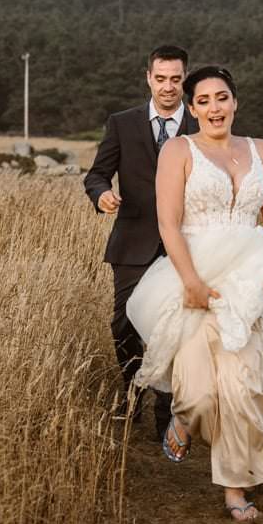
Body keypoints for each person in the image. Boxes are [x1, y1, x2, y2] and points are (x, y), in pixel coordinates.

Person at [126, 65, 263, 522]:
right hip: (198, 277)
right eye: (204, 101)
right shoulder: (179, 150)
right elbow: (167, 223)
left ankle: (236, 490)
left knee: (243, 387)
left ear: (235, 102)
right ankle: (182, 418)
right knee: (198, 394)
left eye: (222, 98)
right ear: (192, 109)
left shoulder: (260, 150)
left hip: (250, 278)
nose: (215, 108)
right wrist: (192, 282)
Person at [83, 45, 199, 439]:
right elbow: (96, 174)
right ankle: (132, 390)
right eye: (161, 78)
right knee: (124, 322)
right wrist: (102, 195)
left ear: (185, 80)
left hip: (187, 244)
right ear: (148, 77)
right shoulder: (122, 123)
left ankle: (166, 410)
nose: (168, 87)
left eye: (176, 79)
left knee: (177, 326)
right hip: (132, 241)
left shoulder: (201, 125)